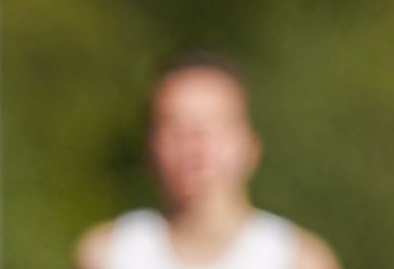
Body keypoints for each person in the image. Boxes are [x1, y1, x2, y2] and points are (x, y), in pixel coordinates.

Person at [74, 52, 339, 269]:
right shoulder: (107, 255)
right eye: (176, 128)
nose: (196, 147)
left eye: (214, 125)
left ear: (251, 143)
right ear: (150, 145)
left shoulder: (301, 260)